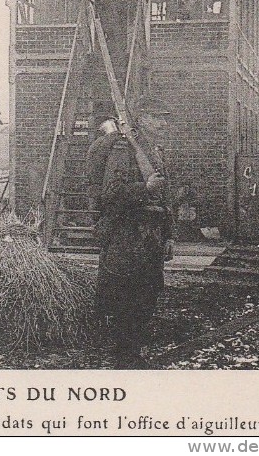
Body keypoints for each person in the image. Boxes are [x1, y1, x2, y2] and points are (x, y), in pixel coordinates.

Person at [86, 95, 176, 369]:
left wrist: (169, 235)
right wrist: (144, 189)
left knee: (148, 291)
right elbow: (111, 194)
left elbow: (165, 196)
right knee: (126, 292)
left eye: (164, 118)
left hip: (150, 234)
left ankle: (133, 351)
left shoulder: (154, 150)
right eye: (154, 117)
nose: (161, 123)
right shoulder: (123, 150)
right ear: (140, 119)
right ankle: (125, 356)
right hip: (127, 232)